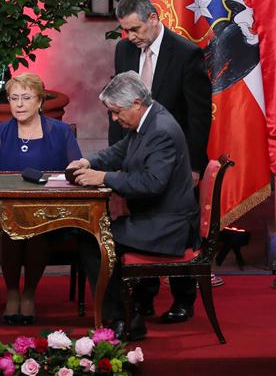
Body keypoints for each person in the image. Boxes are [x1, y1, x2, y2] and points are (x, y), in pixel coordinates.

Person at [67, 71, 199, 341]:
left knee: (94, 242)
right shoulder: (149, 120)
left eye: (116, 112)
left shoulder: (161, 131)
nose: (115, 119)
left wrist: (102, 178)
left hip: (167, 225)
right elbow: (120, 151)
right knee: (94, 235)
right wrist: (89, 162)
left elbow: (152, 183)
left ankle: (122, 319)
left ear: (137, 104)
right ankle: (126, 312)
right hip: (156, 218)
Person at [110, 0, 213, 323]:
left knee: (175, 223)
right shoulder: (124, 50)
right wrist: (113, 163)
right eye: (126, 30)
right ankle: (143, 300)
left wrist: (195, 164)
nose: (131, 37)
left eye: (136, 29)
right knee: (142, 221)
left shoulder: (186, 54)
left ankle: (184, 300)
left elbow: (198, 116)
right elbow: (120, 105)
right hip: (136, 154)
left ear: (153, 18)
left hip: (177, 159)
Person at [0, 72, 82, 325]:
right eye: (14, 98)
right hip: (7, 212)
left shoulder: (61, 132)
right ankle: (12, 293)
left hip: (51, 214)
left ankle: (29, 294)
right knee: (10, 232)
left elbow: (76, 171)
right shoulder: (0, 132)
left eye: (26, 98)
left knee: (37, 233)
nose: (19, 104)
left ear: (40, 102)